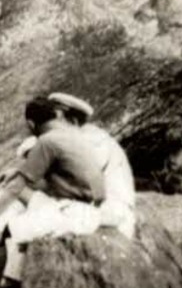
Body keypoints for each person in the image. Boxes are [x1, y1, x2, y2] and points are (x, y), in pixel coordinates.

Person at [0, 93, 110, 288]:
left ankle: (1, 267)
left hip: (73, 214)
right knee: (11, 196)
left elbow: (20, 185)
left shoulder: (47, 142)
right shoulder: (73, 135)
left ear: (31, 124)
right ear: (57, 115)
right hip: (85, 208)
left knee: (8, 222)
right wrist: (17, 172)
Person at [47, 91, 137, 240]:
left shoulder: (94, 139)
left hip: (114, 212)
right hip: (101, 210)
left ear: (73, 121)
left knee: (48, 217)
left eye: (56, 120)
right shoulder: (75, 140)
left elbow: (92, 188)